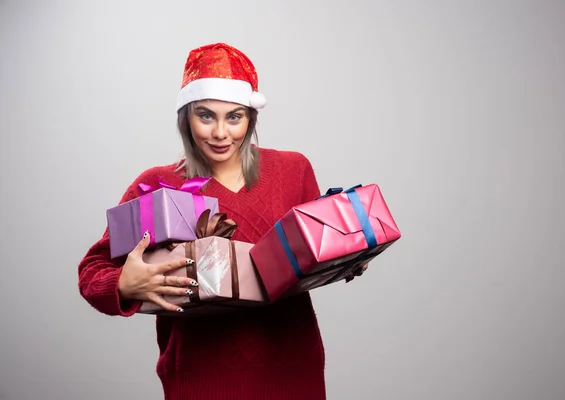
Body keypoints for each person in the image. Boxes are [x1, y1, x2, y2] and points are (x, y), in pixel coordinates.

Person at [78, 42, 366, 399]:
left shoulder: (293, 171)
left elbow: (315, 251)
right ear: (186, 117)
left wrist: (346, 257)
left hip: (292, 369)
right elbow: (91, 272)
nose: (220, 133)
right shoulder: (154, 186)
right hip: (199, 377)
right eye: (205, 116)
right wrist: (123, 284)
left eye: (234, 116)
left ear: (250, 117)